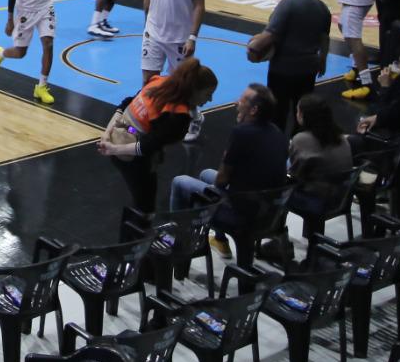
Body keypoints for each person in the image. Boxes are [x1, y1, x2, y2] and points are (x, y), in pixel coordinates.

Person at [168, 83, 288, 258]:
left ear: (254, 110)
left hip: (243, 212)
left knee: (180, 182)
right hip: (270, 210)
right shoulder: (278, 132)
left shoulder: (241, 133)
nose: (236, 102)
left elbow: (221, 181)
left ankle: (178, 241)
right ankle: (220, 241)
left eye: (242, 100)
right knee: (205, 173)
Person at [95, 58, 219, 212]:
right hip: (130, 153)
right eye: (208, 94)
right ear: (193, 90)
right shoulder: (178, 115)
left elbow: (126, 103)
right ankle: (137, 233)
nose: (210, 99)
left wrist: (107, 133)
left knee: (143, 199)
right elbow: (147, 146)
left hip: (118, 136)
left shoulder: (159, 82)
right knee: (145, 206)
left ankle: (138, 225)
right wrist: (113, 149)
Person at [247, 0, 334, 131]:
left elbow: (270, 35)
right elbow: (325, 39)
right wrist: (322, 61)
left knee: (277, 113)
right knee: (302, 112)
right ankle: (298, 145)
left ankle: (275, 147)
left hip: (283, 70)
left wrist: (253, 48)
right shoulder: (322, 7)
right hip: (308, 70)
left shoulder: (287, 4)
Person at [287, 94, 354, 225]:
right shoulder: (341, 137)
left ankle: (280, 234)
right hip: (342, 197)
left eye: (297, 111)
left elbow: (295, 176)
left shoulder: (301, 139)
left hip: (317, 199)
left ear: (303, 115)